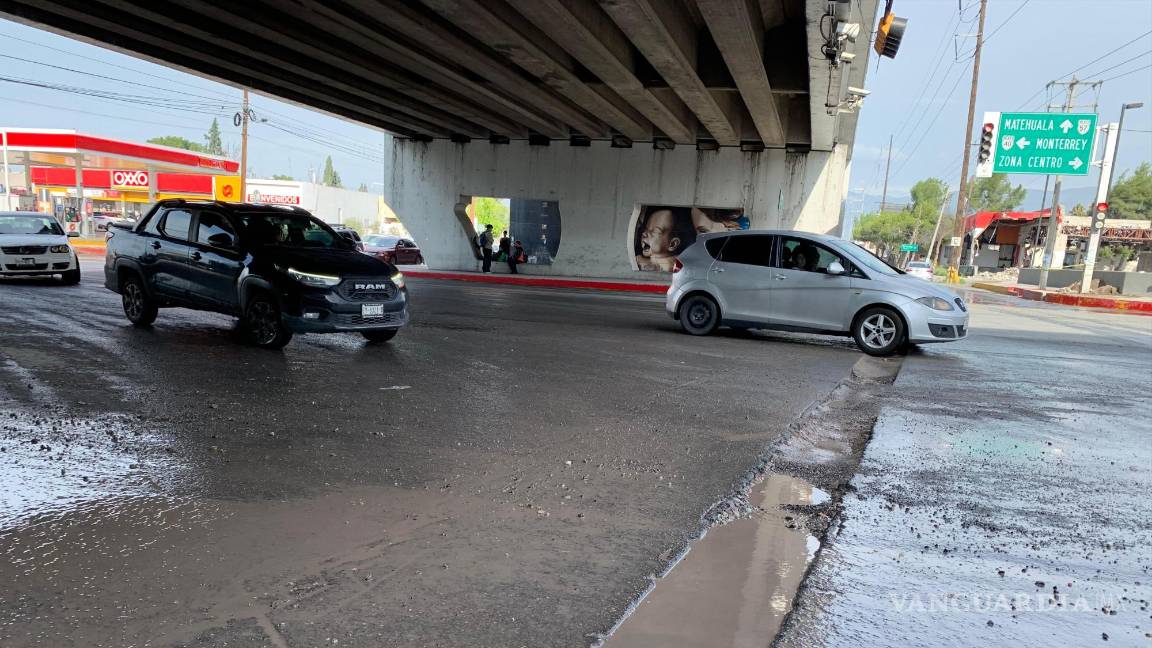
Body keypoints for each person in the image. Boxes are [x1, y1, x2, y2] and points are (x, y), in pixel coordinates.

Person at [635, 207, 693, 272]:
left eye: (655, 231)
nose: (644, 233)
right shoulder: (642, 259)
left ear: (672, 244)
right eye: (645, 229)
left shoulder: (674, 265)